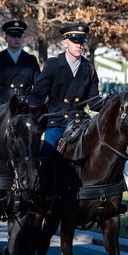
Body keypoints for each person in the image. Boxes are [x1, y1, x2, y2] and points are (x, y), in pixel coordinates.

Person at [27, 23, 104, 162]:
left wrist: (111, 103)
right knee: (45, 155)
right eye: (75, 41)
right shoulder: (53, 65)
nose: (79, 45)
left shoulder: (89, 68)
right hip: (56, 120)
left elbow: (94, 102)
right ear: (65, 43)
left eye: (81, 41)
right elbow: (37, 96)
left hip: (80, 121)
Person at [0, 19, 41, 103]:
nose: (16, 39)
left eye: (19, 36)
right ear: (6, 39)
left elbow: (39, 85)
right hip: (2, 103)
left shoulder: (31, 60)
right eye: (13, 36)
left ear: (23, 38)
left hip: (25, 103)